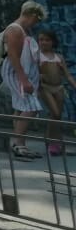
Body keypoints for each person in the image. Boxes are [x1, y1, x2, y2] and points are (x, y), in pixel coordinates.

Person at [1, 0, 48, 160]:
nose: (36, 23)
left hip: (23, 72)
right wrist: (24, 80)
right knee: (31, 107)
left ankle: (20, 144)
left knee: (21, 107)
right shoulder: (15, 30)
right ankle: (18, 144)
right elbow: (13, 56)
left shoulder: (23, 29)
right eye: (36, 19)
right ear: (31, 15)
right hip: (18, 73)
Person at [38, 28, 75, 157]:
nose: (43, 42)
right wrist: (39, 74)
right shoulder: (37, 56)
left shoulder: (59, 57)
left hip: (58, 87)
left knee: (57, 117)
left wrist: (74, 85)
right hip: (45, 87)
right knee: (55, 112)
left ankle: (52, 142)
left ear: (53, 42)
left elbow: (67, 75)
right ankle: (54, 142)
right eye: (41, 40)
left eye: (47, 40)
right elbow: (32, 73)